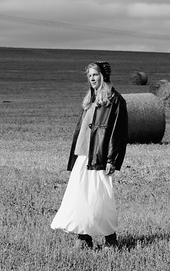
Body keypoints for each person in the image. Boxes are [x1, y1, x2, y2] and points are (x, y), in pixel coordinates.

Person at [51, 60, 128, 248]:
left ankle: (110, 239)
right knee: (79, 197)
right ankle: (84, 238)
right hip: (83, 155)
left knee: (101, 198)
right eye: (90, 75)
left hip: (100, 157)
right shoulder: (90, 99)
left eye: (95, 74)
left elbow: (118, 133)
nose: (92, 78)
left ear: (104, 75)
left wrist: (112, 159)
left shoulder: (115, 100)